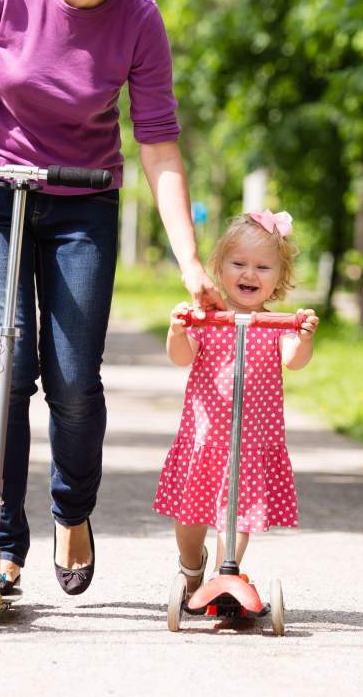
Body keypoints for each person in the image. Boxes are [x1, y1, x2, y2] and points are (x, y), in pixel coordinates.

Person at [0, 0, 223, 597]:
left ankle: (72, 507)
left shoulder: (139, 17)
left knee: (72, 378)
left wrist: (189, 259)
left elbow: (159, 144)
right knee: (6, 363)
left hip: (83, 199)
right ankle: (0, 543)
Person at [154, 210, 319, 594]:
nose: (250, 274)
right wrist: (178, 330)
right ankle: (192, 567)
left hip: (250, 443)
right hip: (206, 439)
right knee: (190, 517)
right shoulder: (207, 319)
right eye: (239, 264)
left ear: (278, 278)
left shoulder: (276, 326)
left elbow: (294, 360)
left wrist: (305, 337)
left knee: (238, 515)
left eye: (263, 267)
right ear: (219, 268)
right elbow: (181, 356)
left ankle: (226, 574)